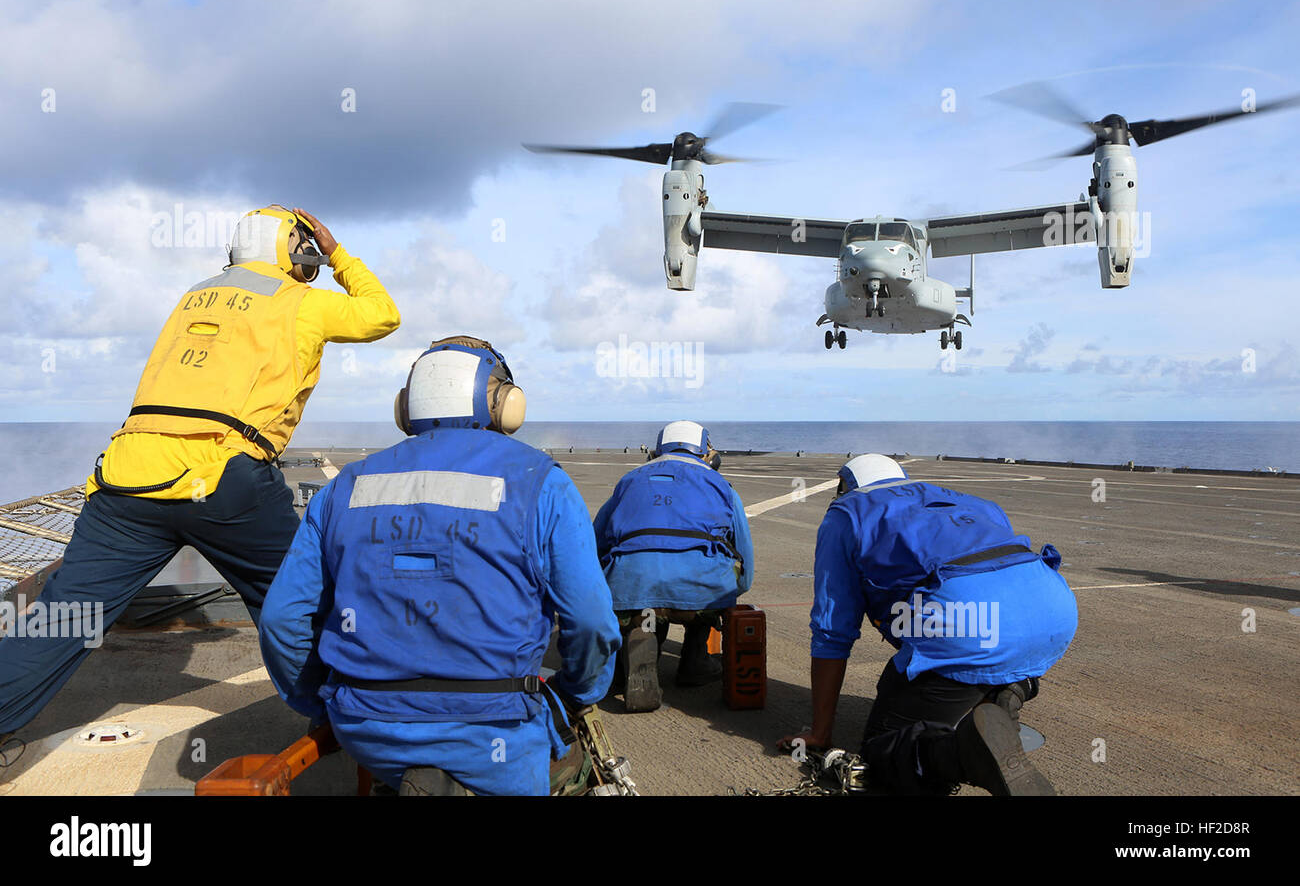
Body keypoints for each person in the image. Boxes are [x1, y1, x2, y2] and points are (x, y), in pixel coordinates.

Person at [0, 206, 399, 767]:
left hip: (128, 475)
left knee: (67, 615)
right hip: (224, 478)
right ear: (297, 250)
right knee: (299, 598)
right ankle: (346, 718)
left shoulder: (195, 295)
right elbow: (382, 315)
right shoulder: (301, 300)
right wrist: (339, 256)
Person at [259, 337, 620, 796]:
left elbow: (281, 620)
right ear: (507, 406)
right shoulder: (543, 483)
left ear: (406, 409)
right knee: (579, 766)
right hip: (497, 734)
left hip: (367, 731)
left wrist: (321, 702)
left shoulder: (343, 487)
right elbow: (590, 622)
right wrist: (577, 693)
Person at [779, 454, 1077, 795]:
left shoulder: (846, 513)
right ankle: (1008, 693)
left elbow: (833, 630)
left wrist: (820, 732)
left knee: (884, 756)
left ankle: (963, 754)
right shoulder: (969, 501)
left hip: (969, 626)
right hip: (1052, 609)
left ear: (845, 487)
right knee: (1000, 632)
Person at [592, 421, 754, 712]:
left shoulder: (628, 482)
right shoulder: (724, 488)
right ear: (707, 453)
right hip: (698, 594)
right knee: (708, 585)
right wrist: (735, 591)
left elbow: (596, 542)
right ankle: (695, 662)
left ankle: (640, 642)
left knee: (644, 605)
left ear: (656, 451)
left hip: (633, 591)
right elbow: (744, 551)